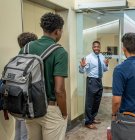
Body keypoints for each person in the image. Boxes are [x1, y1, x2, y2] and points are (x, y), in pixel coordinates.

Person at [21, 12, 68, 140]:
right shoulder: (60, 52)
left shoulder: (27, 47)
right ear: (57, 31)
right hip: (50, 109)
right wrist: (64, 113)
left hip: (29, 106)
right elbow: (59, 90)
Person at [79, 41, 109, 129]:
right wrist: (82, 66)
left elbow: (104, 69)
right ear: (92, 47)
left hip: (99, 80)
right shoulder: (88, 57)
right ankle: (88, 122)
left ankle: (93, 118)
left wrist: (106, 64)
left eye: (98, 47)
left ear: (100, 47)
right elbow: (82, 71)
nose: (96, 48)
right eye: (95, 47)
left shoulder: (102, 56)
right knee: (90, 102)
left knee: (97, 101)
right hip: (92, 80)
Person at [15, 32, 37, 140]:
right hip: (26, 103)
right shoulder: (31, 62)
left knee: (18, 130)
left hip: (14, 101)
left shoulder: (15, 60)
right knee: (26, 134)